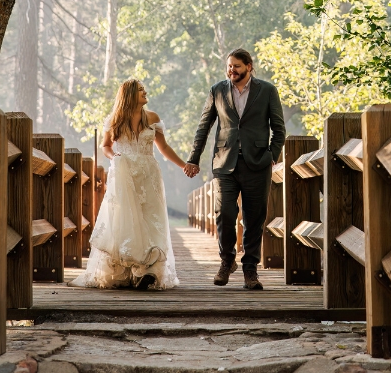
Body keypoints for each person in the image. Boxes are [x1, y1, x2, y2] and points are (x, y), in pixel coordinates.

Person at [70, 78, 186, 290]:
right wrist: (115, 156)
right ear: (130, 94)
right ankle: (126, 271)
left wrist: (184, 165)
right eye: (141, 89)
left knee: (152, 220)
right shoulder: (115, 119)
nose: (145, 91)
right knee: (125, 222)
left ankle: (148, 271)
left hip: (148, 175)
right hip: (124, 174)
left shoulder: (152, 117)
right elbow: (105, 146)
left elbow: (164, 148)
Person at [184, 48, 286, 290]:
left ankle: (250, 270)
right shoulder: (217, 90)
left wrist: (272, 155)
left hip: (257, 164)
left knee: (254, 219)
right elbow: (204, 126)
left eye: (237, 66)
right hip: (224, 163)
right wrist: (193, 158)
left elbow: (279, 128)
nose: (232, 70)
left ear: (249, 66)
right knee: (225, 214)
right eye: (229, 66)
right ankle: (227, 261)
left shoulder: (268, 91)